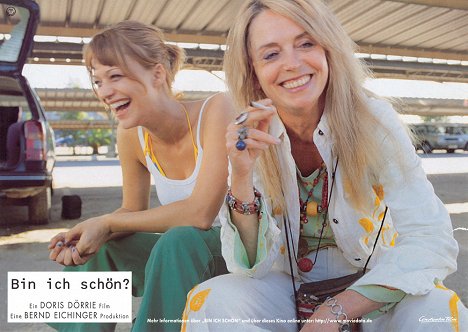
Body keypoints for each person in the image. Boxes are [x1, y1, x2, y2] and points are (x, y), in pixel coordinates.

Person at [181, 1, 468, 331]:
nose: (292, 63)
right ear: (254, 72)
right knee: (211, 300)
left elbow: (431, 237)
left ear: (328, 50)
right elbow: (250, 268)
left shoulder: (374, 120)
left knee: (438, 309)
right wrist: (242, 175)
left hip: (374, 291)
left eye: (306, 43)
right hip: (291, 291)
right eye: (271, 54)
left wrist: (337, 310)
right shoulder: (253, 132)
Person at [48, 21, 234, 332]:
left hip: (244, 256)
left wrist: (108, 223)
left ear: (158, 74)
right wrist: (89, 232)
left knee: (178, 240)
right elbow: (131, 211)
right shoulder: (130, 135)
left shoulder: (218, 108)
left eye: (115, 76)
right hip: (183, 260)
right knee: (101, 247)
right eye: (98, 81)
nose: (104, 92)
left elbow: (201, 214)